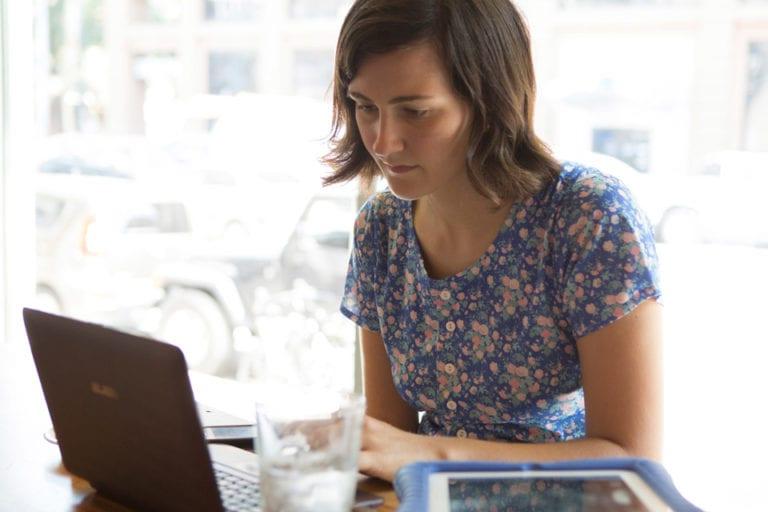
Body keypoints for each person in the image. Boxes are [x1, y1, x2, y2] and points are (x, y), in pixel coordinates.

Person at [323, 0, 663, 483]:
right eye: (364, 107)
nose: (383, 142)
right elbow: (387, 446)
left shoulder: (586, 216)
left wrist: (431, 455)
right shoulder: (380, 229)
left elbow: (635, 459)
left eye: (415, 112)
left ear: (488, 101)